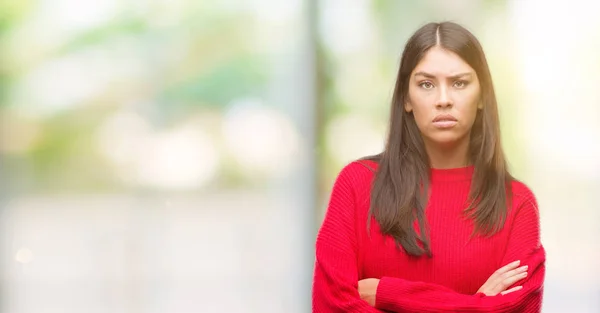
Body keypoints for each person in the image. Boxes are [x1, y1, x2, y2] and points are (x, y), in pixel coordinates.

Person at [312, 21, 545, 312]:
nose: (443, 100)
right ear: (407, 98)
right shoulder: (357, 185)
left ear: (483, 95)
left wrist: (390, 294)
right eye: (426, 84)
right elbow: (332, 305)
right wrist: (476, 306)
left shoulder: (517, 204)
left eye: (459, 83)